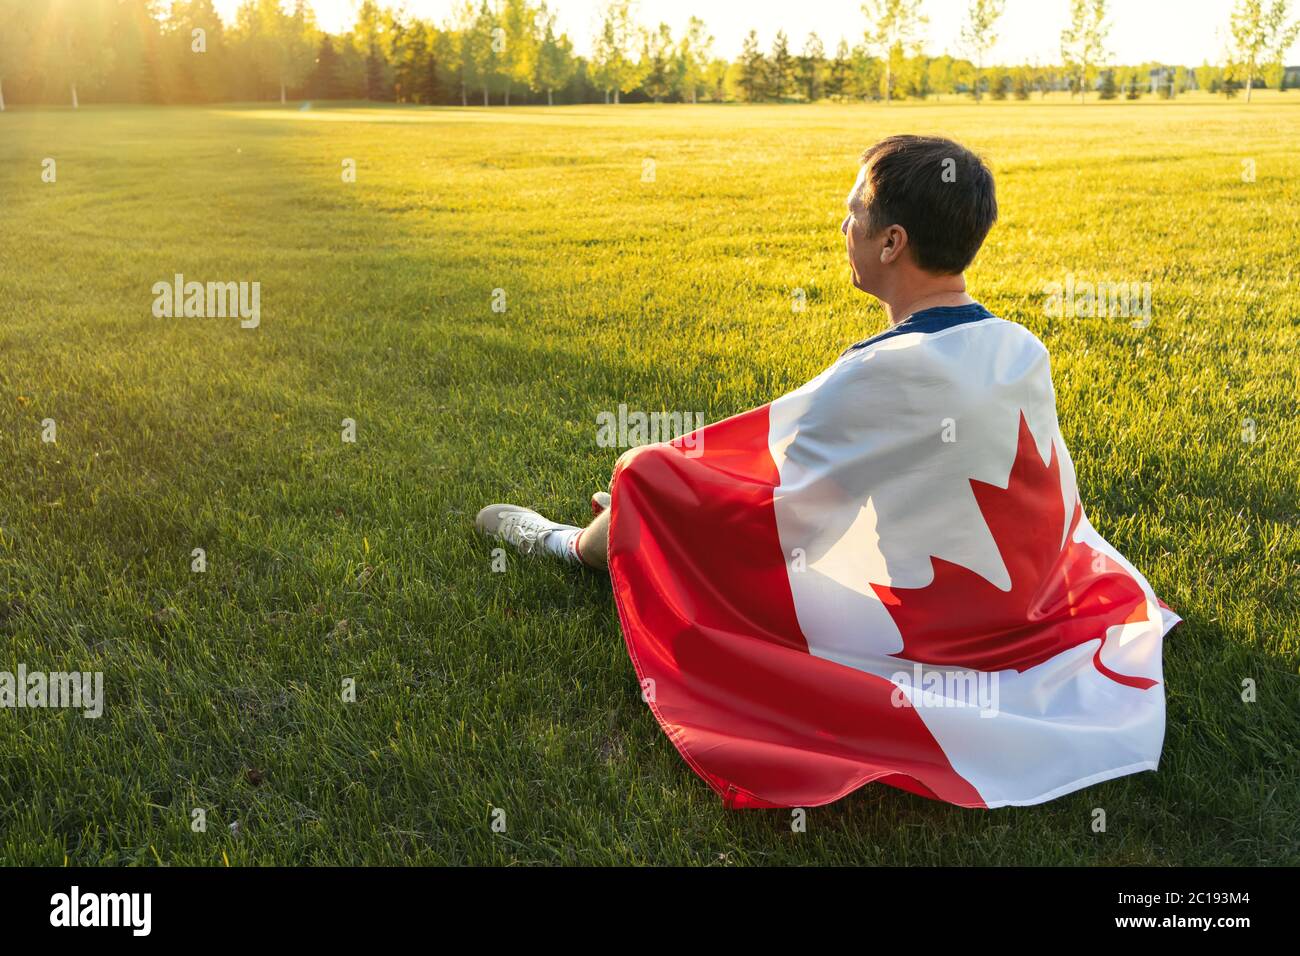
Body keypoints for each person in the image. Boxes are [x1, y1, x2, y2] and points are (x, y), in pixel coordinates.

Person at [476, 135, 996, 571]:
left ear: (891, 243)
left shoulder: (871, 374)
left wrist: (659, 502)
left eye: (854, 213)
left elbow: (778, 520)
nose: (844, 228)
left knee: (648, 470)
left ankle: (569, 545)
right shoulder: (1021, 348)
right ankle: (641, 519)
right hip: (1011, 601)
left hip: (919, 614)